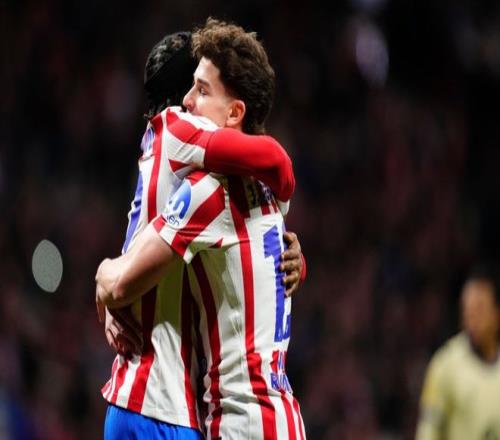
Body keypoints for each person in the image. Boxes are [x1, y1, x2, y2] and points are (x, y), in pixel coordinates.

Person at [96, 18, 306, 439]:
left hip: (229, 420)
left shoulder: (209, 190)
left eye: (202, 90)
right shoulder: (269, 196)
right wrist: (300, 263)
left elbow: (119, 285)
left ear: (235, 112)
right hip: (282, 418)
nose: (188, 103)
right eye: (189, 88)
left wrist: (101, 276)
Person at [416, 265, 500, 440]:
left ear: (496, 313)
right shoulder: (445, 365)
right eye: (467, 310)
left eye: (479, 309)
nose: (472, 318)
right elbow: (428, 431)